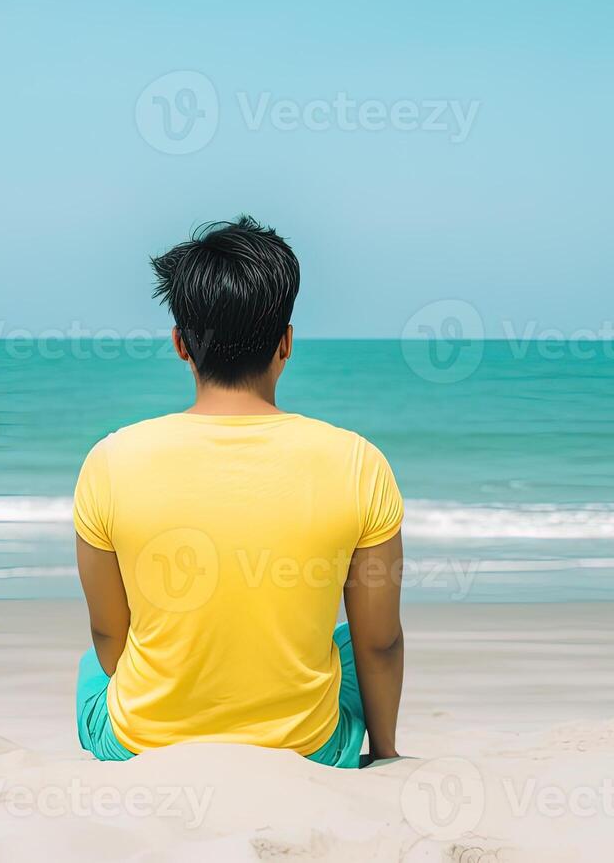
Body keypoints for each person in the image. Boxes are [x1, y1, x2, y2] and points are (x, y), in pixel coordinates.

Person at [73, 216, 405, 768]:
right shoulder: (359, 462)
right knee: (350, 644)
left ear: (181, 344)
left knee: (94, 662)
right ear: (287, 342)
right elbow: (382, 644)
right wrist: (386, 754)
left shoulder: (110, 460)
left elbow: (111, 633)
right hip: (310, 749)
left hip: (143, 744)